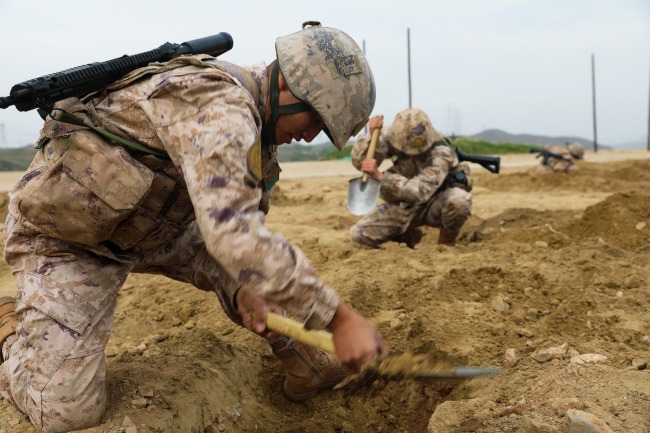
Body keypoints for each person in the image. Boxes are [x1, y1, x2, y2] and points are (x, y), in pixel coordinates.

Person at [0, 22, 387, 432]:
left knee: (264, 277)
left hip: (160, 228)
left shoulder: (261, 136)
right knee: (66, 413)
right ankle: (10, 331)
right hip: (71, 237)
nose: (310, 136)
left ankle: (308, 366)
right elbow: (235, 234)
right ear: (289, 88)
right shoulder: (217, 103)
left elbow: (246, 232)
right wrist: (340, 320)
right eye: (315, 120)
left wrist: (242, 290)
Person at [349, 108, 473, 248]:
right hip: (402, 205)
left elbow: (421, 191)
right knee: (359, 234)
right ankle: (408, 235)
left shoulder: (441, 152)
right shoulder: (394, 134)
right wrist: (372, 138)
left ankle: (446, 242)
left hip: (434, 203)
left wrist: (381, 177)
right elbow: (359, 163)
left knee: (459, 200)